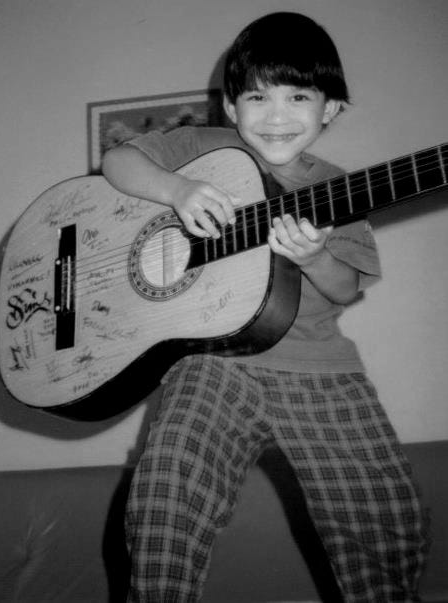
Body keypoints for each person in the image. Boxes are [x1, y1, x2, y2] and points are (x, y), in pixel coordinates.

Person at [102, 11, 430, 602]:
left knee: (385, 522)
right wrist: (177, 190)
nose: (276, 115)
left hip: (322, 373)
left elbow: (345, 287)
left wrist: (313, 256)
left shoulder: (339, 187)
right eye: (257, 96)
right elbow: (118, 162)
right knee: (165, 498)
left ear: (329, 109)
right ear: (231, 106)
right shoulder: (199, 148)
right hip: (212, 364)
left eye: (298, 96)